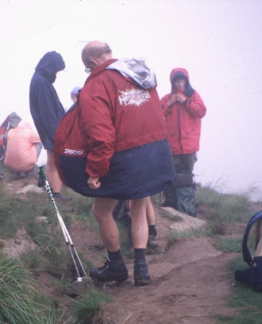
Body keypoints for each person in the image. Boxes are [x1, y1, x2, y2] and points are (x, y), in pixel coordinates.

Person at [54, 41, 175, 286]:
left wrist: (95, 171)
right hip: (155, 151)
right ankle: (142, 270)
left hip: (126, 155)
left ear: (92, 63)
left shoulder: (98, 83)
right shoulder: (140, 74)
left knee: (101, 211)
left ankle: (116, 265)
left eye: (87, 69)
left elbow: (100, 134)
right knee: (139, 206)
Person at [160, 68, 207, 216]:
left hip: (189, 147)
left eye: (182, 81)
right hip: (171, 147)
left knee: (186, 178)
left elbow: (201, 111)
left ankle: (187, 210)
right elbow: (157, 114)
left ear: (186, 81)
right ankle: (170, 208)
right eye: (177, 81)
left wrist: (185, 101)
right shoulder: (167, 98)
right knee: (169, 176)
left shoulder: (193, 96)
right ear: (172, 82)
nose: (180, 84)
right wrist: (170, 103)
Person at [29, 51, 71, 203]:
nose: (56, 74)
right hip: (53, 130)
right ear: (50, 66)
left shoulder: (39, 80)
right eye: (56, 70)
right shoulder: (41, 82)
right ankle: (56, 194)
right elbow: (47, 112)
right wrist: (58, 135)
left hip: (49, 128)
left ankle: (54, 194)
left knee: (52, 161)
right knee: (58, 162)